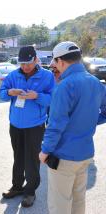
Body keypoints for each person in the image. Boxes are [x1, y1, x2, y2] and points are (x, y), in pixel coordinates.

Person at [39, 41, 106, 214]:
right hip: (85, 153)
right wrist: (90, 120)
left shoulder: (65, 86)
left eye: (55, 62)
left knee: (60, 204)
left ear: (61, 61)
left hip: (64, 155)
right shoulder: (96, 82)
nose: (54, 66)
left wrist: (45, 151)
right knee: (78, 201)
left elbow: (55, 124)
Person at [0, 46, 55, 207]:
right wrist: (10, 92)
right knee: (18, 157)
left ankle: (30, 191)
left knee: (32, 159)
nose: (25, 67)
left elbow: (52, 98)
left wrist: (36, 96)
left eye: (28, 63)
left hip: (35, 126)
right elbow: (2, 92)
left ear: (36, 59)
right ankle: (17, 186)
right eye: (22, 64)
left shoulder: (47, 76)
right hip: (15, 124)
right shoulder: (14, 74)